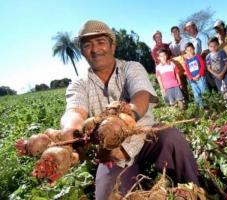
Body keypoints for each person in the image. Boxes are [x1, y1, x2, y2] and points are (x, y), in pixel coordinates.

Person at [60, 20, 200, 200]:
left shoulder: (131, 68)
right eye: (88, 45)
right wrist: (71, 131)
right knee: (107, 195)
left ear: (112, 46)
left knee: (172, 138)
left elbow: (140, 95)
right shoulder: (79, 84)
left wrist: (125, 120)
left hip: (147, 138)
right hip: (111, 154)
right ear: (82, 51)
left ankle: (195, 190)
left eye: (101, 42)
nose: (95, 49)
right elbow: (74, 111)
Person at [183, 42, 208, 107]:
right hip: (193, 81)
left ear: (194, 49)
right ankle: (201, 107)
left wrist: (199, 74)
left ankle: (208, 105)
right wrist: (192, 78)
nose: (190, 51)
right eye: (188, 50)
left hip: (200, 78)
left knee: (204, 92)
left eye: (191, 49)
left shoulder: (198, 56)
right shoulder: (186, 61)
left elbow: (202, 66)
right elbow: (187, 71)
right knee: (196, 94)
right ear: (185, 51)